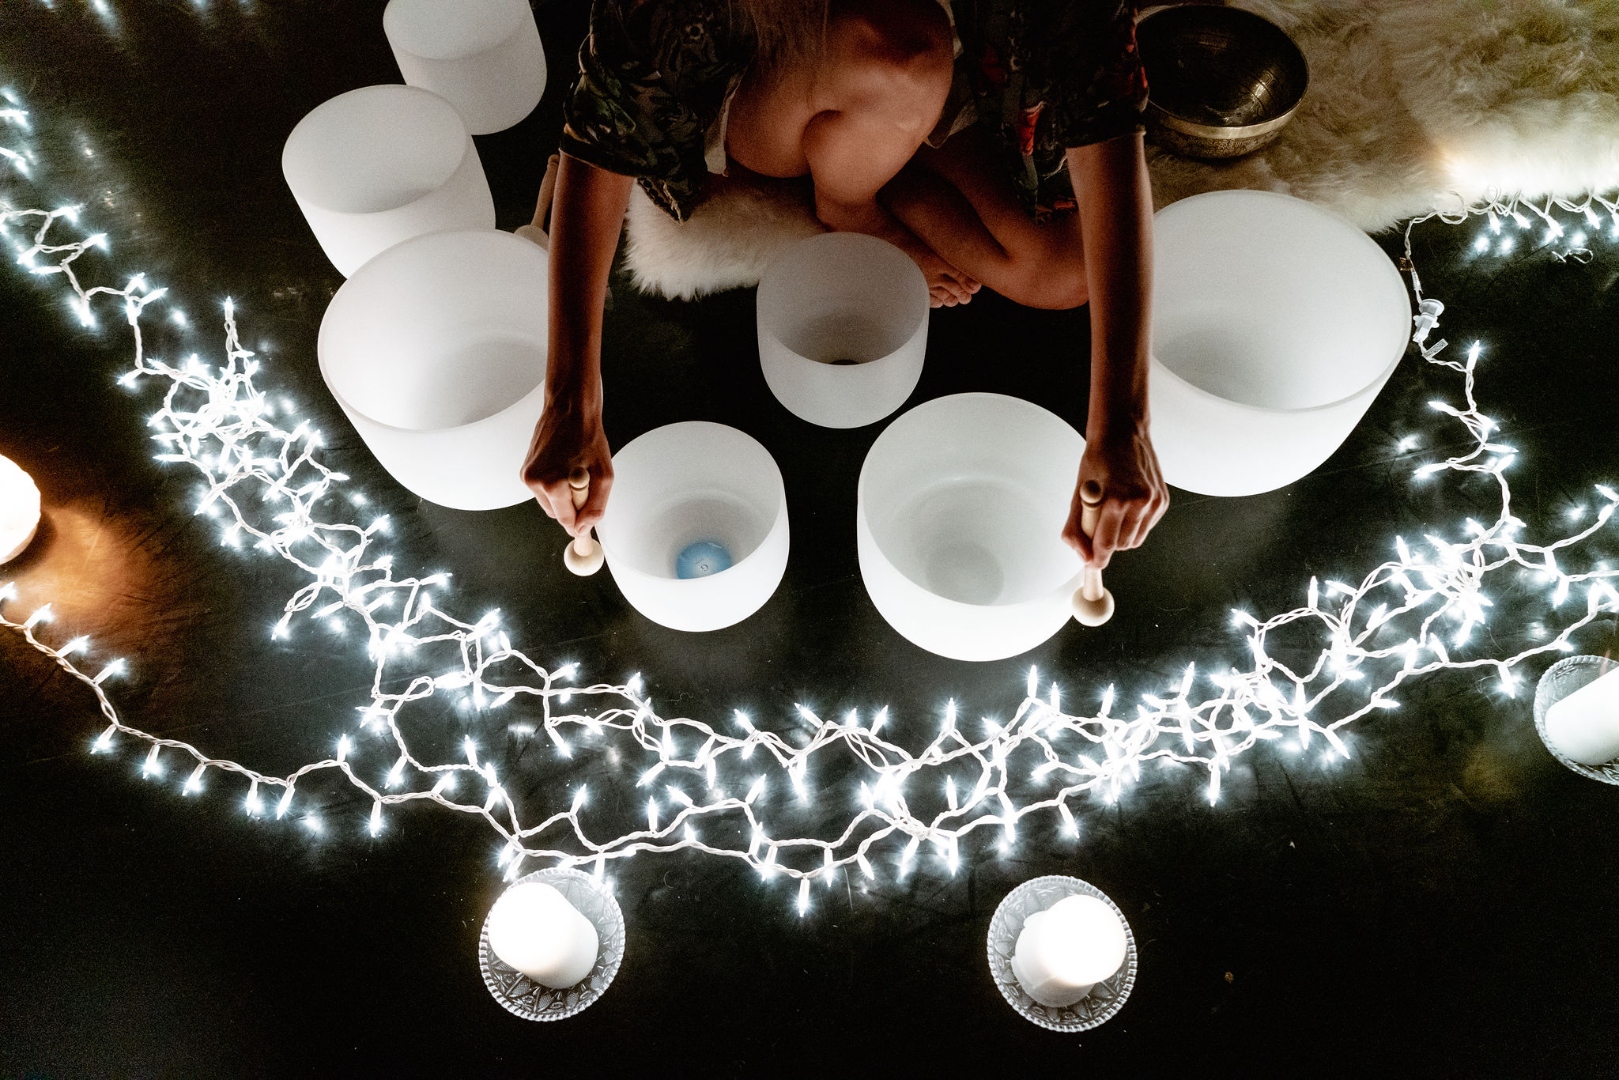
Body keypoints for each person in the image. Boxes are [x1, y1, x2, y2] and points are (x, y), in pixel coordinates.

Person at [523, 0, 1168, 572]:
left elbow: (1105, 120)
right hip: (785, 68)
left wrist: (1121, 423)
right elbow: (599, 131)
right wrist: (569, 398)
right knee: (899, 57)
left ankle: (883, 160)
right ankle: (849, 201)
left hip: (956, 62)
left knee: (1061, 269)